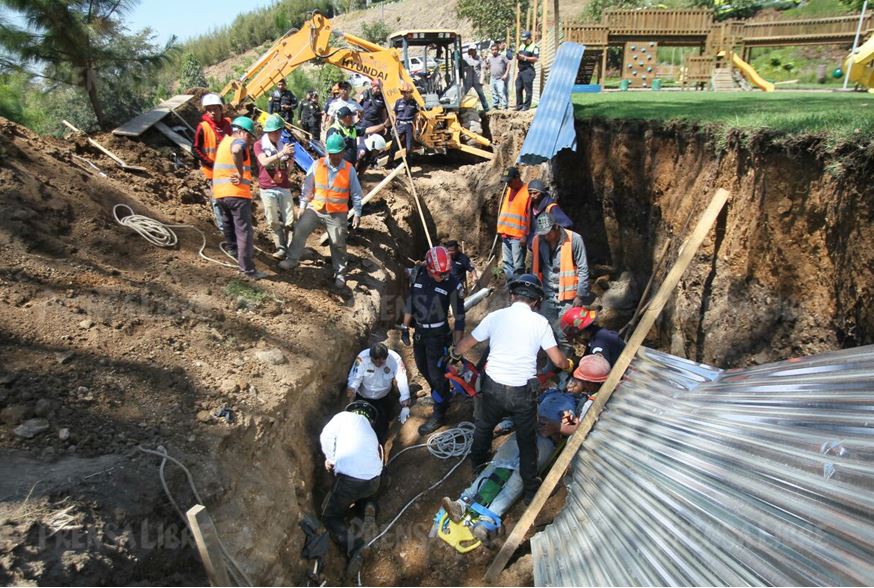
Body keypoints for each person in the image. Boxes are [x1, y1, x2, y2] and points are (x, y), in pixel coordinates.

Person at [440, 355, 610, 541]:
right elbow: (524, 408)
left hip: (549, 439)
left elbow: (582, 429)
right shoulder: (549, 393)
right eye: (570, 380)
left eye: (577, 381)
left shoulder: (583, 404)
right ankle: (462, 502)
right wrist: (507, 424)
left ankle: (487, 519)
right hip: (529, 427)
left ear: (587, 384)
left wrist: (558, 427)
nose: (572, 383)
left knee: (521, 474)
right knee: (499, 462)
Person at [452, 274, 574, 504]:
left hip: (493, 388)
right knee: (527, 441)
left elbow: (466, 344)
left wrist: (453, 354)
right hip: (521, 393)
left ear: (512, 296)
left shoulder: (495, 316)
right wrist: (568, 364)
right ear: (536, 302)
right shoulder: (540, 323)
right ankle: (529, 490)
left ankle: (479, 468)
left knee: (484, 428)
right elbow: (558, 361)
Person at [279, 134, 362, 288]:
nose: (335, 157)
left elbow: (356, 193)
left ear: (343, 152)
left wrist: (357, 212)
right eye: (332, 154)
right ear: (327, 152)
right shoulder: (318, 165)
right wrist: (303, 205)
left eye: (338, 153)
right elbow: (308, 186)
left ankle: (340, 273)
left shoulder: (349, 170)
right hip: (316, 208)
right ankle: (291, 259)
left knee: (338, 242)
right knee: (300, 230)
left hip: (337, 213)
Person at [400, 246, 466, 435]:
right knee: (423, 368)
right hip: (420, 333)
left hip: (438, 336)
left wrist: (457, 347)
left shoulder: (452, 283)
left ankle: (439, 413)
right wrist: (405, 326)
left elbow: (459, 318)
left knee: (437, 374)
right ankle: (442, 394)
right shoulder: (419, 273)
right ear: (428, 268)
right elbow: (411, 301)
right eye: (440, 274)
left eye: (446, 273)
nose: (444, 277)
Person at [320, 401, 383, 578]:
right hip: (373, 480)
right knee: (365, 491)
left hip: (349, 481)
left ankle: (355, 547)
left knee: (329, 516)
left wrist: (330, 458)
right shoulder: (371, 432)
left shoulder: (342, 417)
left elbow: (326, 436)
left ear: (352, 410)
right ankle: (368, 507)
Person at [531, 215, 590, 369]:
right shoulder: (538, 241)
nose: (546, 236)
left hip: (568, 297)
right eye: (543, 233)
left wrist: (580, 295)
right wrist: (535, 296)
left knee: (564, 335)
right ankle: (552, 364)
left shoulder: (574, 239)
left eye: (548, 233)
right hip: (548, 294)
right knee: (547, 333)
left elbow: (583, 268)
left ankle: (565, 367)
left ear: (556, 227)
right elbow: (536, 270)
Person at [212, 116, 266, 280]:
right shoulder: (237, 142)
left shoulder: (223, 143)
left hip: (220, 194)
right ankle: (248, 270)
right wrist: (240, 172)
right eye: (250, 137)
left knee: (228, 224)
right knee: (244, 231)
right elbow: (237, 149)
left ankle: (233, 252)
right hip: (236, 194)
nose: (250, 143)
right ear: (242, 133)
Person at [346, 342, 412, 444]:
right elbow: (354, 379)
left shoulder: (394, 359)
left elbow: (402, 379)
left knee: (380, 428)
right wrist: (351, 397)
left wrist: (405, 405)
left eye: (381, 362)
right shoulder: (362, 358)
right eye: (375, 361)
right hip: (363, 397)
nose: (378, 364)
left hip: (383, 399)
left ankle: (378, 446)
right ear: (370, 356)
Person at [253, 114, 296, 260]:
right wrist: (282, 153)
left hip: (283, 185)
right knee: (273, 220)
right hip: (267, 187)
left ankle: (291, 249)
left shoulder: (282, 146)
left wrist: (291, 160)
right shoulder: (259, 145)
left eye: (279, 131)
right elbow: (264, 162)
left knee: (290, 220)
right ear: (268, 132)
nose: (277, 134)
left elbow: (288, 170)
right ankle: (281, 248)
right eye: (274, 132)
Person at [193, 93, 233, 233]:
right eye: (208, 109)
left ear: (220, 109)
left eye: (214, 109)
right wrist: (209, 163)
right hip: (213, 171)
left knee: (231, 199)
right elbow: (196, 148)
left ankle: (232, 227)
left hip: (229, 170)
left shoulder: (228, 125)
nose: (212, 112)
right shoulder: (203, 127)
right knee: (217, 200)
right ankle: (223, 230)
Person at [496, 166, 531, 280]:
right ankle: (512, 289)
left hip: (518, 236)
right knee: (507, 264)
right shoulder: (510, 189)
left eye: (509, 181)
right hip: (506, 234)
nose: (508, 184)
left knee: (518, 266)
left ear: (517, 178)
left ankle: (519, 290)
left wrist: (525, 235)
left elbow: (530, 216)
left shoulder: (527, 192)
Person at [560, 307, 626, 366]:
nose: (578, 341)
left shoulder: (597, 347)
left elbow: (601, 370)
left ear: (582, 334)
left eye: (576, 338)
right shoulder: (603, 333)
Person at [525, 179, 573, 248]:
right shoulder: (531, 207)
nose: (532, 196)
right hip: (535, 247)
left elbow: (566, 225)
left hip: (548, 248)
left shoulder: (551, 208)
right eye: (530, 193)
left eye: (535, 193)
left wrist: (554, 241)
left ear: (542, 193)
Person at [390, 82, 420, 160]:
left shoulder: (414, 103)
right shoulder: (398, 102)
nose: (406, 94)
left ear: (410, 93)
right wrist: (393, 126)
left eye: (407, 92)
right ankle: (390, 162)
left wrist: (417, 128)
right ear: (402, 92)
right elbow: (394, 114)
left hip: (409, 126)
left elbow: (417, 117)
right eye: (404, 92)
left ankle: (408, 168)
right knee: (394, 145)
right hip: (399, 125)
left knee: (409, 148)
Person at [515, 30, 539, 111]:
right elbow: (519, 55)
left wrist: (524, 58)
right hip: (521, 71)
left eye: (525, 40)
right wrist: (518, 57)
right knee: (518, 88)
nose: (524, 41)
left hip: (528, 70)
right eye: (523, 40)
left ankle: (526, 106)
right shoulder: (521, 46)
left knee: (528, 90)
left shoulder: (534, 47)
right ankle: (519, 106)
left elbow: (535, 58)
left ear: (529, 38)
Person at [462, 46, 489, 112]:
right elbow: (462, 68)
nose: (472, 51)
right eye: (470, 50)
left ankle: (486, 109)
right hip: (468, 80)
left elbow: (483, 68)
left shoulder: (479, 58)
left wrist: (482, 79)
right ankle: (459, 108)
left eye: (473, 50)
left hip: (477, 80)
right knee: (462, 94)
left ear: (475, 50)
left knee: (481, 94)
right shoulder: (465, 58)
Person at [486, 43, 510, 110]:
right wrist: (486, 63)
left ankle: (504, 106)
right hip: (493, 78)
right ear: (491, 50)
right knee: (494, 93)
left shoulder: (502, 57)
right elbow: (487, 67)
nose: (494, 51)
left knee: (501, 92)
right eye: (493, 50)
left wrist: (506, 74)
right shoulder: (490, 58)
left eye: (495, 49)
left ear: (498, 50)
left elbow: (508, 64)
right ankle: (495, 105)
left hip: (500, 78)